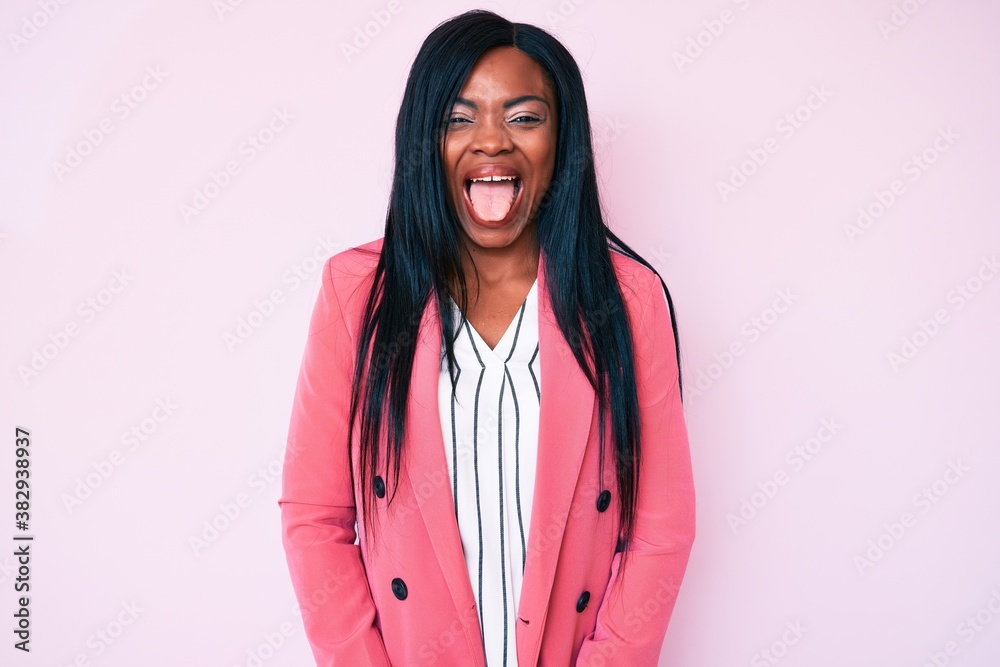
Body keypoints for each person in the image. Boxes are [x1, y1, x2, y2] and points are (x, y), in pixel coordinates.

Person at [278, 9, 695, 666]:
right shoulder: (356, 294)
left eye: (525, 117)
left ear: (563, 141)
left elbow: (661, 528)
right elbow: (314, 517)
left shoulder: (627, 301)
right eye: (459, 118)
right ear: (425, 139)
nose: (493, 141)